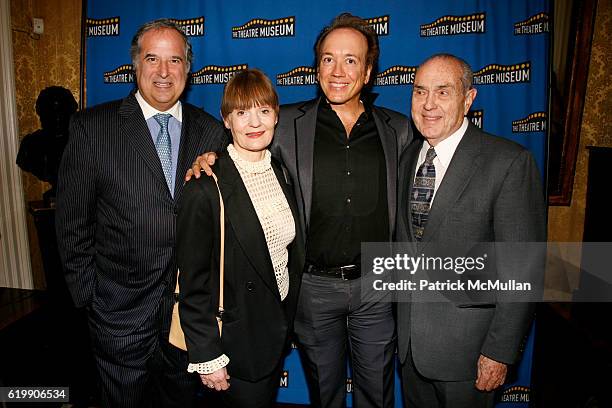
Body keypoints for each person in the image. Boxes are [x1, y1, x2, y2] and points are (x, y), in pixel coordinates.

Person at [189, 13, 412, 408]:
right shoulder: (287, 122)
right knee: (324, 394)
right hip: (313, 289)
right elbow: (241, 140)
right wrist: (205, 159)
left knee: (377, 394)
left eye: (350, 60)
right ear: (317, 66)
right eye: (328, 59)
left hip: (376, 286)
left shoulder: (397, 128)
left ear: (368, 70)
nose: (338, 70)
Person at [55, 19, 227, 408]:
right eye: (153, 59)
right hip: (118, 315)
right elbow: (71, 226)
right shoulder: (92, 128)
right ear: (136, 65)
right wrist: (91, 298)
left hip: (186, 321)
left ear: (188, 68)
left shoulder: (211, 132)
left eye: (175, 61)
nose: (164, 72)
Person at [395, 53, 546, 408]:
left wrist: (499, 351)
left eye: (443, 92)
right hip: (411, 347)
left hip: (470, 353)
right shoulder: (407, 158)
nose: (428, 104)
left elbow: (522, 267)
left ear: (469, 98)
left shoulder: (508, 162)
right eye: (420, 92)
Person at [177, 68, 305, 408]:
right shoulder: (205, 187)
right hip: (235, 345)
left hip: (274, 332)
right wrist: (208, 355)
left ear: (277, 115)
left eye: (263, 110)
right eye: (242, 112)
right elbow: (193, 282)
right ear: (226, 119)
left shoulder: (282, 172)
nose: (254, 122)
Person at [16, 86, 78, 205]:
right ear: (41, 114)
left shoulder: (84, 141)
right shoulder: (30, 145)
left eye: (62, 111)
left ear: (71, 113)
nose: (57, 118)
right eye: (51, 112)